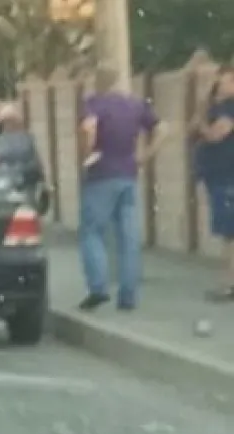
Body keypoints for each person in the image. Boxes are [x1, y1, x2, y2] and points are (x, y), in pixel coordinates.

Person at [78, 66, 169, 312]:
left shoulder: (93, 103)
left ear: (98, 80)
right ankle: (128, 295)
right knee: (128, 237)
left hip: (100, 175)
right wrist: (145, 156)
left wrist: (88, 153)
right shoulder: (136, 104)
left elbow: (89, 127)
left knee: (92, 232)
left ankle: (98, 288)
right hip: (128, 174)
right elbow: (162, 129)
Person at [191, 66, 234, 302]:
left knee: (230, 234)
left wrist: (201, 123)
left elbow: (216, 135)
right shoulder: (216, 107)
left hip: (227, 177)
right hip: (218, 177)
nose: (222, 86)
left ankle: (228, 284)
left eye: (228, 82)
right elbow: (192, 129)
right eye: (221, 81)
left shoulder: (230, 108)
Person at [0, 102, 51, 214]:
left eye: (11, 120)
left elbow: (36, 158)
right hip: (7, 183)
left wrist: (42, 180)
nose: (9, 124)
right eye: (7, 121)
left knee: (27, 211)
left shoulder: (26, 137)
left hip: (26, 182)